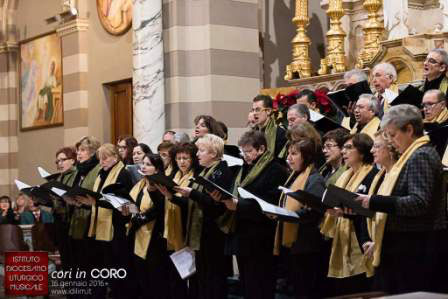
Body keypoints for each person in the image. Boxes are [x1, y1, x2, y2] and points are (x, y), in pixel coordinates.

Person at [356, 104, 447, 294]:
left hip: (417, 246)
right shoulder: (413, 154)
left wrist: (374, 201)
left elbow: (418, 202)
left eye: (392, 134)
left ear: (409, 129)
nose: (390, 141)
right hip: (406, 245)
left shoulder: (421, 155)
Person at [215, 130, 288, 299]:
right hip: (242, 234)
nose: (245, 155)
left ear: (261, 149)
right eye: (243, 151)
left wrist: (239, 204)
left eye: (248, 151)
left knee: (260, 283)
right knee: (247, 284)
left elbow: (270, 202)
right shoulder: (244, 168)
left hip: (261, 236)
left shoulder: (275, 170)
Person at [174, 134, 233, 299]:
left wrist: (192, 193)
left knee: (214, 278)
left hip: (213, 233)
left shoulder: (222, 172)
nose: (197, 154)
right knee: (203, 278)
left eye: (201, 150)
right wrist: (172, 196)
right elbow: (195, 203)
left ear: (213, 153)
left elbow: (217, 206)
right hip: (201, 233)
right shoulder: (206, 171)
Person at [321, 133, 378, 296]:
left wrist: (346, 211)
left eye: (349, 148)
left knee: (359, 288)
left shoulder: (371, 175)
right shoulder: (346, 174)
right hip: (343, 234)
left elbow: (368, 209)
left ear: (362, 152)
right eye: (343, 148)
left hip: (360, 238)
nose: (344, 152)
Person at [274, 138, 328, 298]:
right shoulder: (294, 176)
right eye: (288, 154)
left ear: (307, 156)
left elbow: (313, 211)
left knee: (306, 290)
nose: (288, 158)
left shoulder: (314, 179)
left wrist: (285, 215)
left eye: (294, 154)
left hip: (307, 245)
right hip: (295, 245)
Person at [81, 143, 133, 299]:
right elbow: (98, 198)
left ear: (116, 157)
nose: (102, 162)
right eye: (99, 159)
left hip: (116, 227)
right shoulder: (101, 174)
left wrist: (95, 202)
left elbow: (121, 201)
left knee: (117, 267)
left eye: (105, 158)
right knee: (104, 267)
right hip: (101, 225)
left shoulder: (122, 174)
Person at [123, 154, 173, 299]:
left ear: (157, 169)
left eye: (148, 164)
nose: (143, 167)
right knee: (141, 277)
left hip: (154, 237)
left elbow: (159, 208)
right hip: (137, 233)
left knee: (155, 279)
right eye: (143, 164)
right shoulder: (140, 184)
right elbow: (134, 203)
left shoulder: (160, 185)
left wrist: (141, 217)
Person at [356, 130, 399, 279]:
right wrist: (366, 239)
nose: (372, 150)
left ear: (391, 148)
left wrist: (380, 242)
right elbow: (368, 211)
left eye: (377, 146)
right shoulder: (378, 176)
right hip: (373, 245)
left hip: (390, 248)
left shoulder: (399, 176)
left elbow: (396, 214)